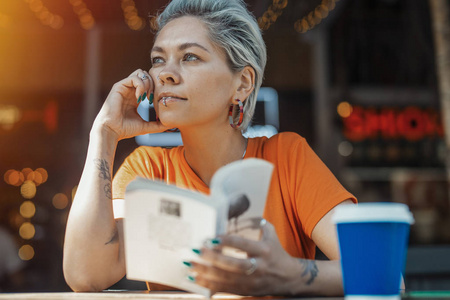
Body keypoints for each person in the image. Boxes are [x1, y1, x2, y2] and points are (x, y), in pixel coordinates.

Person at [63, 0, 357, 296]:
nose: (166, 74)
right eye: (158, 59)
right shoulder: (147, 169)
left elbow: (377, 272)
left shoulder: (287, 156)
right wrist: (103, 135)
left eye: (190, 57)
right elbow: (86, 276)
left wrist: (289, 274)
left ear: (242, 83)